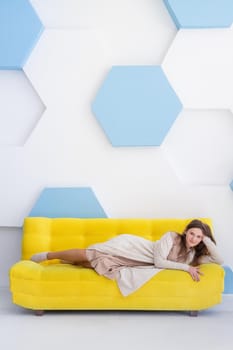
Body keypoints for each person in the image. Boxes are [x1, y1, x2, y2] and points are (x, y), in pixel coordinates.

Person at [30, 219, 223, 296]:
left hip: (137, 263)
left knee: (92, 264)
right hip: (132, 248)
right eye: (192, 234)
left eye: (198, 237)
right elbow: (159, 262)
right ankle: (47, 255)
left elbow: (219, 261)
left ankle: (66, 261)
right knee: (92, 254)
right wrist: (186, 268)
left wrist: (207, 240)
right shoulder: (171, 236)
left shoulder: (191, 254)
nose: (194, 238)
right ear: (186, 231)